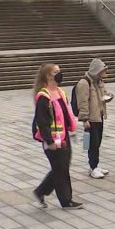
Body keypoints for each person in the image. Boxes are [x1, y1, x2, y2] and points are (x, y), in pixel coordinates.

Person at [32, 64, 83, 209]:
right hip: (52, 139)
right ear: (48, 76)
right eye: (56, 72)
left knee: (61, 167)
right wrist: (49, 140)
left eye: (59, 71)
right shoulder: (43, 96)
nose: (59, 74)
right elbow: (42, 121)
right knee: (61, 169)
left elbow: (65, 113)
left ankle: (40, 191)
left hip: (64, 136)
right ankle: (66, 201)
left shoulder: (60, 92)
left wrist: (70, 130)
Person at [75, 58, 114, 179]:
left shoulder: (99, 82)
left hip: (99, 116)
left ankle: (96, 165)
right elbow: (83, 102)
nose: (105, 73)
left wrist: (108, 96)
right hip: (91, 118)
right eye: (103, 70)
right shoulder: (84, 83)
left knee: (98, 142)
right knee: (93, 143)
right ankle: (93, 167)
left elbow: (103, 94)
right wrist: (84, 119)